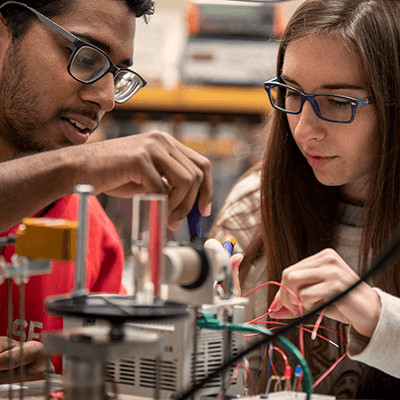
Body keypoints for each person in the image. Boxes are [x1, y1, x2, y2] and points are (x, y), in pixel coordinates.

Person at [0, 0, 213, 384]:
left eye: (117, 74)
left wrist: (59, 384)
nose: (107, 97)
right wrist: (78, 167)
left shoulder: (92, 235)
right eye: (85, 57)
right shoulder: (75, 180)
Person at [210, 0, 400, 398]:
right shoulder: (252, 206)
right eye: (291, 93)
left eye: (337, 103)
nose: (303, 129)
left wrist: (380, 318)